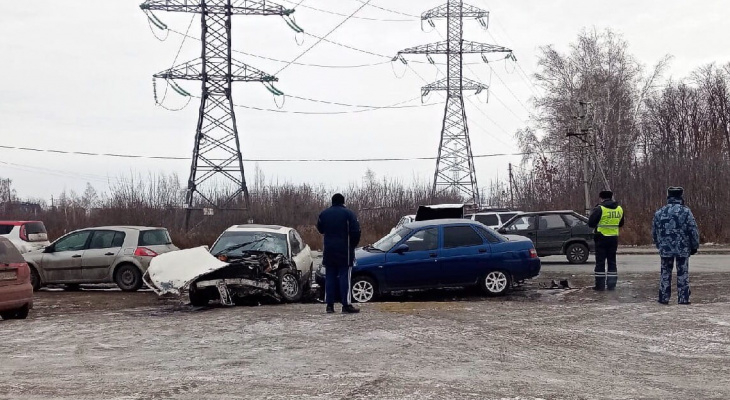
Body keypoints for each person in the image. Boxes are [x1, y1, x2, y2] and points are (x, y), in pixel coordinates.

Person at [652, 187, 700, 305]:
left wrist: (659, 245)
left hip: (665, 248)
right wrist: (694, 245)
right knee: (683, 273)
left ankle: (663, 298)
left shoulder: (660, 212)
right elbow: (693, 229)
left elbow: (654, 231)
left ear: (668, 195)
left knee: (665, 273)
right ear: (681, 196)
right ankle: (683, 298)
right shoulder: (686, 211)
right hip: (682, 248)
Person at [316, 193, 361, 314]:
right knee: (345, 277)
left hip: (329, 250)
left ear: (332, 202)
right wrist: (352, 245)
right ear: (343, 201)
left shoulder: (324, 214)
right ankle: (346, 304)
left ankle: (329, 305)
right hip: (344, 251)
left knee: (329, 277)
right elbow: (356, 231)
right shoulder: (349, 214)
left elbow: (320, 229)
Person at [587, 190, 625, 291]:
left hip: (601, 237)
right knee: (612, 261)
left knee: (600, 262)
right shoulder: (619, 209)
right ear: (611, 197)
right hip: (613, 237)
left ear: (601, 198)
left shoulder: (600, 208)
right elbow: (621, 224)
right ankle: (611, 284)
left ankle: (600, 285)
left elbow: (591, 223)